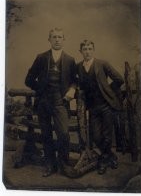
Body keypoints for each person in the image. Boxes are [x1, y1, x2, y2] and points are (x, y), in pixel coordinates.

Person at [25, 28, 76, 177]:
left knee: (64, 134)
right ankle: (50, 165)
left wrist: (72, 89)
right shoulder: (41, 58)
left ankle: (64, 165)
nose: (57, 39)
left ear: (64, 39)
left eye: (60, 37)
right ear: (49, 39)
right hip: (43, 102)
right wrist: (40, 89)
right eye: (54, 37)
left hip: (60, 101)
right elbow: (28, 80)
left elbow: (75, 80)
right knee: (46, 134)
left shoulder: (70, 60)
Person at [77, 40, 124, 175]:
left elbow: (119, 79)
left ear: (93, 50)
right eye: (85, 49)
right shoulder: (79, 66)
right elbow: (80, 84)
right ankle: (111, 156)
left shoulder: (102, 64)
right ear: (81, 51)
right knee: (96, 136)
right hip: (92, 108)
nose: (87, 51)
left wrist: (108, 89)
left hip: (106, 105)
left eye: (90, 48)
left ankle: (103, 161)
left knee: (107, 136)